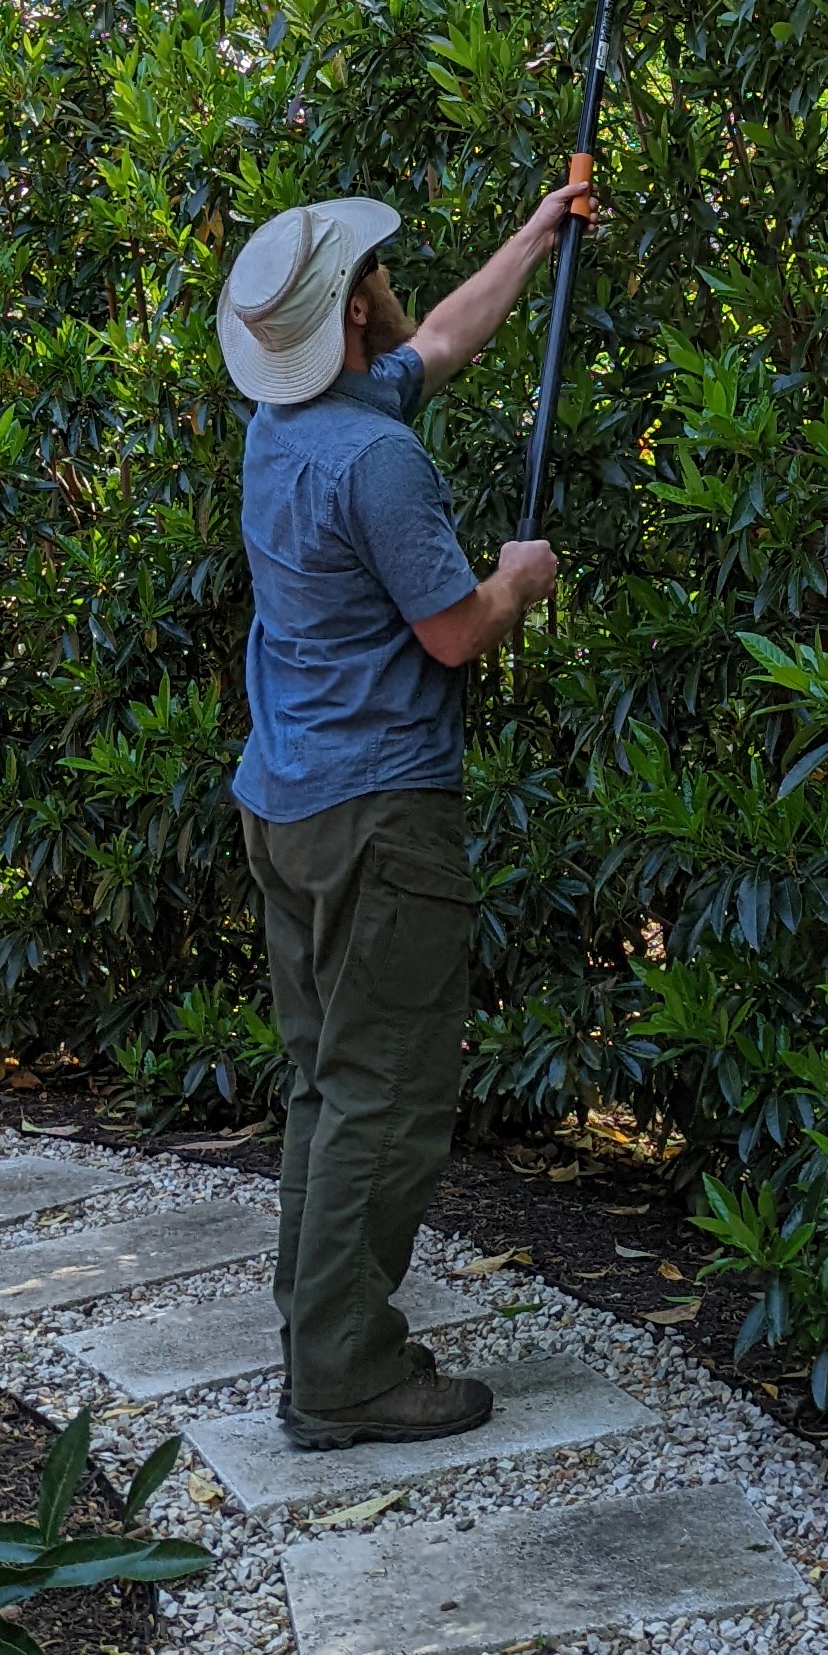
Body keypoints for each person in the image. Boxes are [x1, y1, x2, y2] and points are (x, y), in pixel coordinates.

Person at [217, 183, 578, 1446]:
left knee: (330, 1086)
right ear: (358, 312)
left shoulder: (291, 423)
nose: (388, 290)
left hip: (289, 808)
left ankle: (322, 1337)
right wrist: (517, 581)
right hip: (378, 818)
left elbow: (446, 342)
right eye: (375, 279)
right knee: (387, 1093)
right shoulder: (377, 461)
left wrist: (539, 231)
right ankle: (344, 1378)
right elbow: (453, 633)